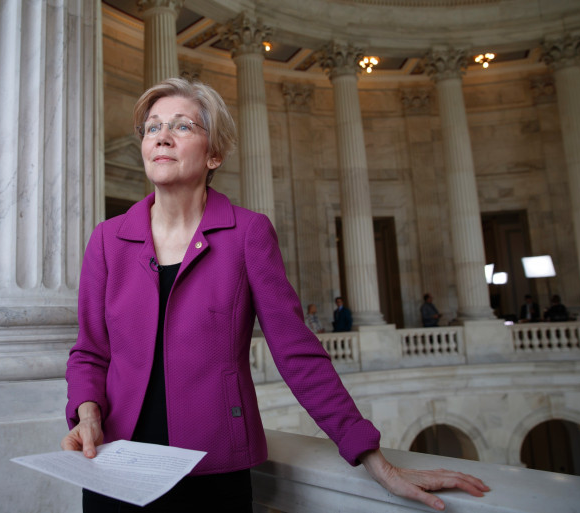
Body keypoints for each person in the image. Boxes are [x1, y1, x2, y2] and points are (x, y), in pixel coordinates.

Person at [62, 78, 488, 512]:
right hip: (114, 464)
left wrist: (372, 457)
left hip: (212, 471)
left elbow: (296, 352)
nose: (162, 137)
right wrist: (87, 411)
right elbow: (90, 352)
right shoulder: (107, 240)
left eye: (183, 126)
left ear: (215, 154)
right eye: (152, 128)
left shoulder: (247, 234)